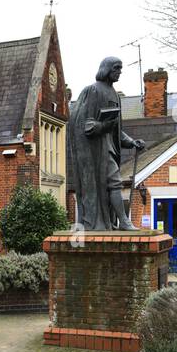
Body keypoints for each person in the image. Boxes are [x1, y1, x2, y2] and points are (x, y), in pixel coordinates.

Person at [67, 56, 146, 230]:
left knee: (111, 185)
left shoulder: (115, 95)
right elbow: (86, 126)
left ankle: (113, 222)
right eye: (116, 68)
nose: (119, 72)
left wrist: (132, 142)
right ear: (107, 69)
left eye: (120, 69)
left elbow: (116, 130)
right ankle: (123, 221)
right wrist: (105, 125)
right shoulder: (93, 91)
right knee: (115, 182)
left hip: (109, 150)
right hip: (96, 152)